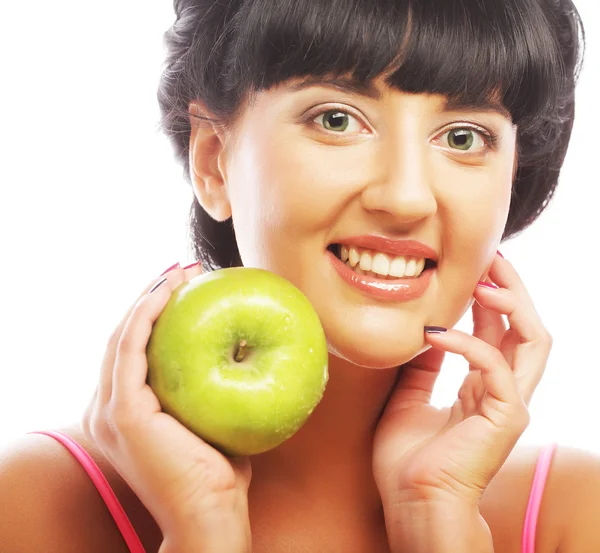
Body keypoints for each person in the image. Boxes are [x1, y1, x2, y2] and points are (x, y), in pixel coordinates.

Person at [0, 0, 594, 551]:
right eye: (337, 119)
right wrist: (202, 533)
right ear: (213, 161)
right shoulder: (38, 507)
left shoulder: (572, 514)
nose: (407, 197)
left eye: (464, 137)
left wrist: (437, 518)